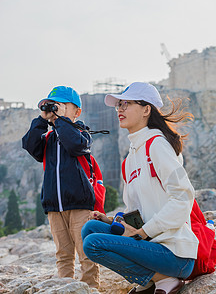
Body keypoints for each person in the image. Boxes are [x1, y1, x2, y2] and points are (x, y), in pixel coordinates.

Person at [82, 82, 198, 294]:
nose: (120, 109)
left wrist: (144, 233)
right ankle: (150, 280)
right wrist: (112, 221)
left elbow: (184, 197)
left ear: (146, 110)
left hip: (174, 252)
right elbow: (137, 213)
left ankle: (162, 279)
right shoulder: (131, 157)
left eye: (127, 104)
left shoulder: (157, 144)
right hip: (150, 247)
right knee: (90, 229)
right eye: (119, 105)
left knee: (93, 243)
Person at [22, 86, 99, 288]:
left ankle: (90, 289)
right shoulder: (48, 139)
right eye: (54, 105)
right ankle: (67, 288)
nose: (57, 110)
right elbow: (30, 145)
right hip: (54, 206)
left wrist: (61, 121)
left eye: (62, 106)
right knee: (63, 254)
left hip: (80, 204)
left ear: (77, 112)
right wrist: (42, 119)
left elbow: (75, 145)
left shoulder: (82, 131)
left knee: (85, 253)